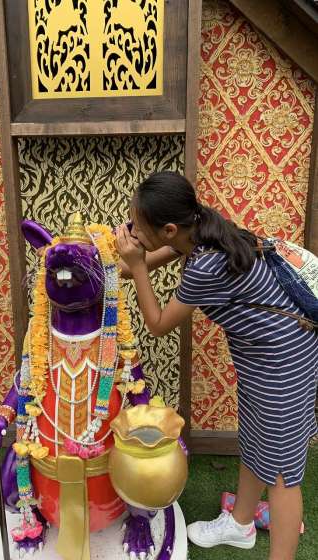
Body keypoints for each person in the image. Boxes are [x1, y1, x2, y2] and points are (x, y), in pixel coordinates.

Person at [115, 170, 318, 560]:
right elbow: (129, 268)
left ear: (169, 229)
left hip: (284, 361)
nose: (133, 230)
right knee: (254, 440)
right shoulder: (200, 232)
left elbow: (157, 324)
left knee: (283, 473)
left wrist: (138, 265)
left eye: (138, 225)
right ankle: (240, 524)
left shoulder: (205, 265)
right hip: (260, 357)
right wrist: (124, 254)